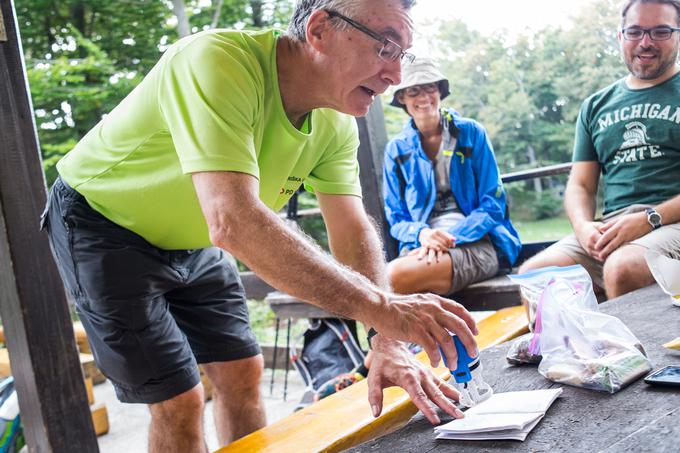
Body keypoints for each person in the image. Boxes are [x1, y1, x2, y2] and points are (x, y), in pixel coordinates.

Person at [40, 1, 480, 451]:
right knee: (180, 399)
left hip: (198, 236)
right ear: (320, 29)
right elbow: (233, 220)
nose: (395, 77)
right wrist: (383, 308)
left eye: (401, 56)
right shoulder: (218, 61)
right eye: (386, 47)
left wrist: (384, 337)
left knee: (243, 371)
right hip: (104, 223)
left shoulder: (336, 120)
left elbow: (350, 230)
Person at [520, 0, 680, 299]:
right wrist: (583, 227)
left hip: (671, 222)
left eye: (660, 31)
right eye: (634, 32)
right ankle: (585, 347)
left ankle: (635, 348)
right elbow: (580, 185)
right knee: (536, 276)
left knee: (624, 269)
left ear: (678, 35)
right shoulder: (596, 105)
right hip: (614, 227)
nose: (645, 42)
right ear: (620, 37)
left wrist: (649, 219)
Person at [383, 58, 521, 296]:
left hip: (476, 242)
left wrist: (450, 237)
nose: (424, 97)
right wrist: (423, 234)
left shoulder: (471, 133)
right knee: (389, 281)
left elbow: (493, 204)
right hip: (421, 246)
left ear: (440, 91)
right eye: (414, 90)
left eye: (430, 88)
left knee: (393, 278)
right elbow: (396, 218)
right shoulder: (396, 150)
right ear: (402, 98)